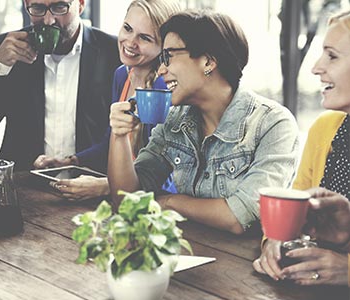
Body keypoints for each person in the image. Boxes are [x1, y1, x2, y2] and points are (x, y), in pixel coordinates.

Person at [108, 10, 300, 234]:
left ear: (208, 61)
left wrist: (170, 202)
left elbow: (239, 216)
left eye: (168, 56)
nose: (161, 70)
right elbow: (125, 201)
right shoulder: (175, 120)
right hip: (190, 255)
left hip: (246, 263)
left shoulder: (273, 124)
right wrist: (119, 135)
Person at [33, 0, 181, 201]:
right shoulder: (122, 74)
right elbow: (110, 141)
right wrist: (71, 161)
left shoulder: (165, 88)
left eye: (145, 38)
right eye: (127, 28)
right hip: (124, 201)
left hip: (158, 207)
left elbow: (167, 174)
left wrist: (106, 186)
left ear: (164, 46)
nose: (130, 42)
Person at [253, 10, 350, 286]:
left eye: (332, 55)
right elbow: (291, 210)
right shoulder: (325, 129)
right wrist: (274, 242)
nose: (316, 67)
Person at [0, 0, 120, 171]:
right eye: (38, 8)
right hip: (25, 186)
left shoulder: (114, 52)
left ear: (81, 4)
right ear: (26, 5)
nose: (48, 20)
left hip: (92, 185)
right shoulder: (5, 50)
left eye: (59, 7)